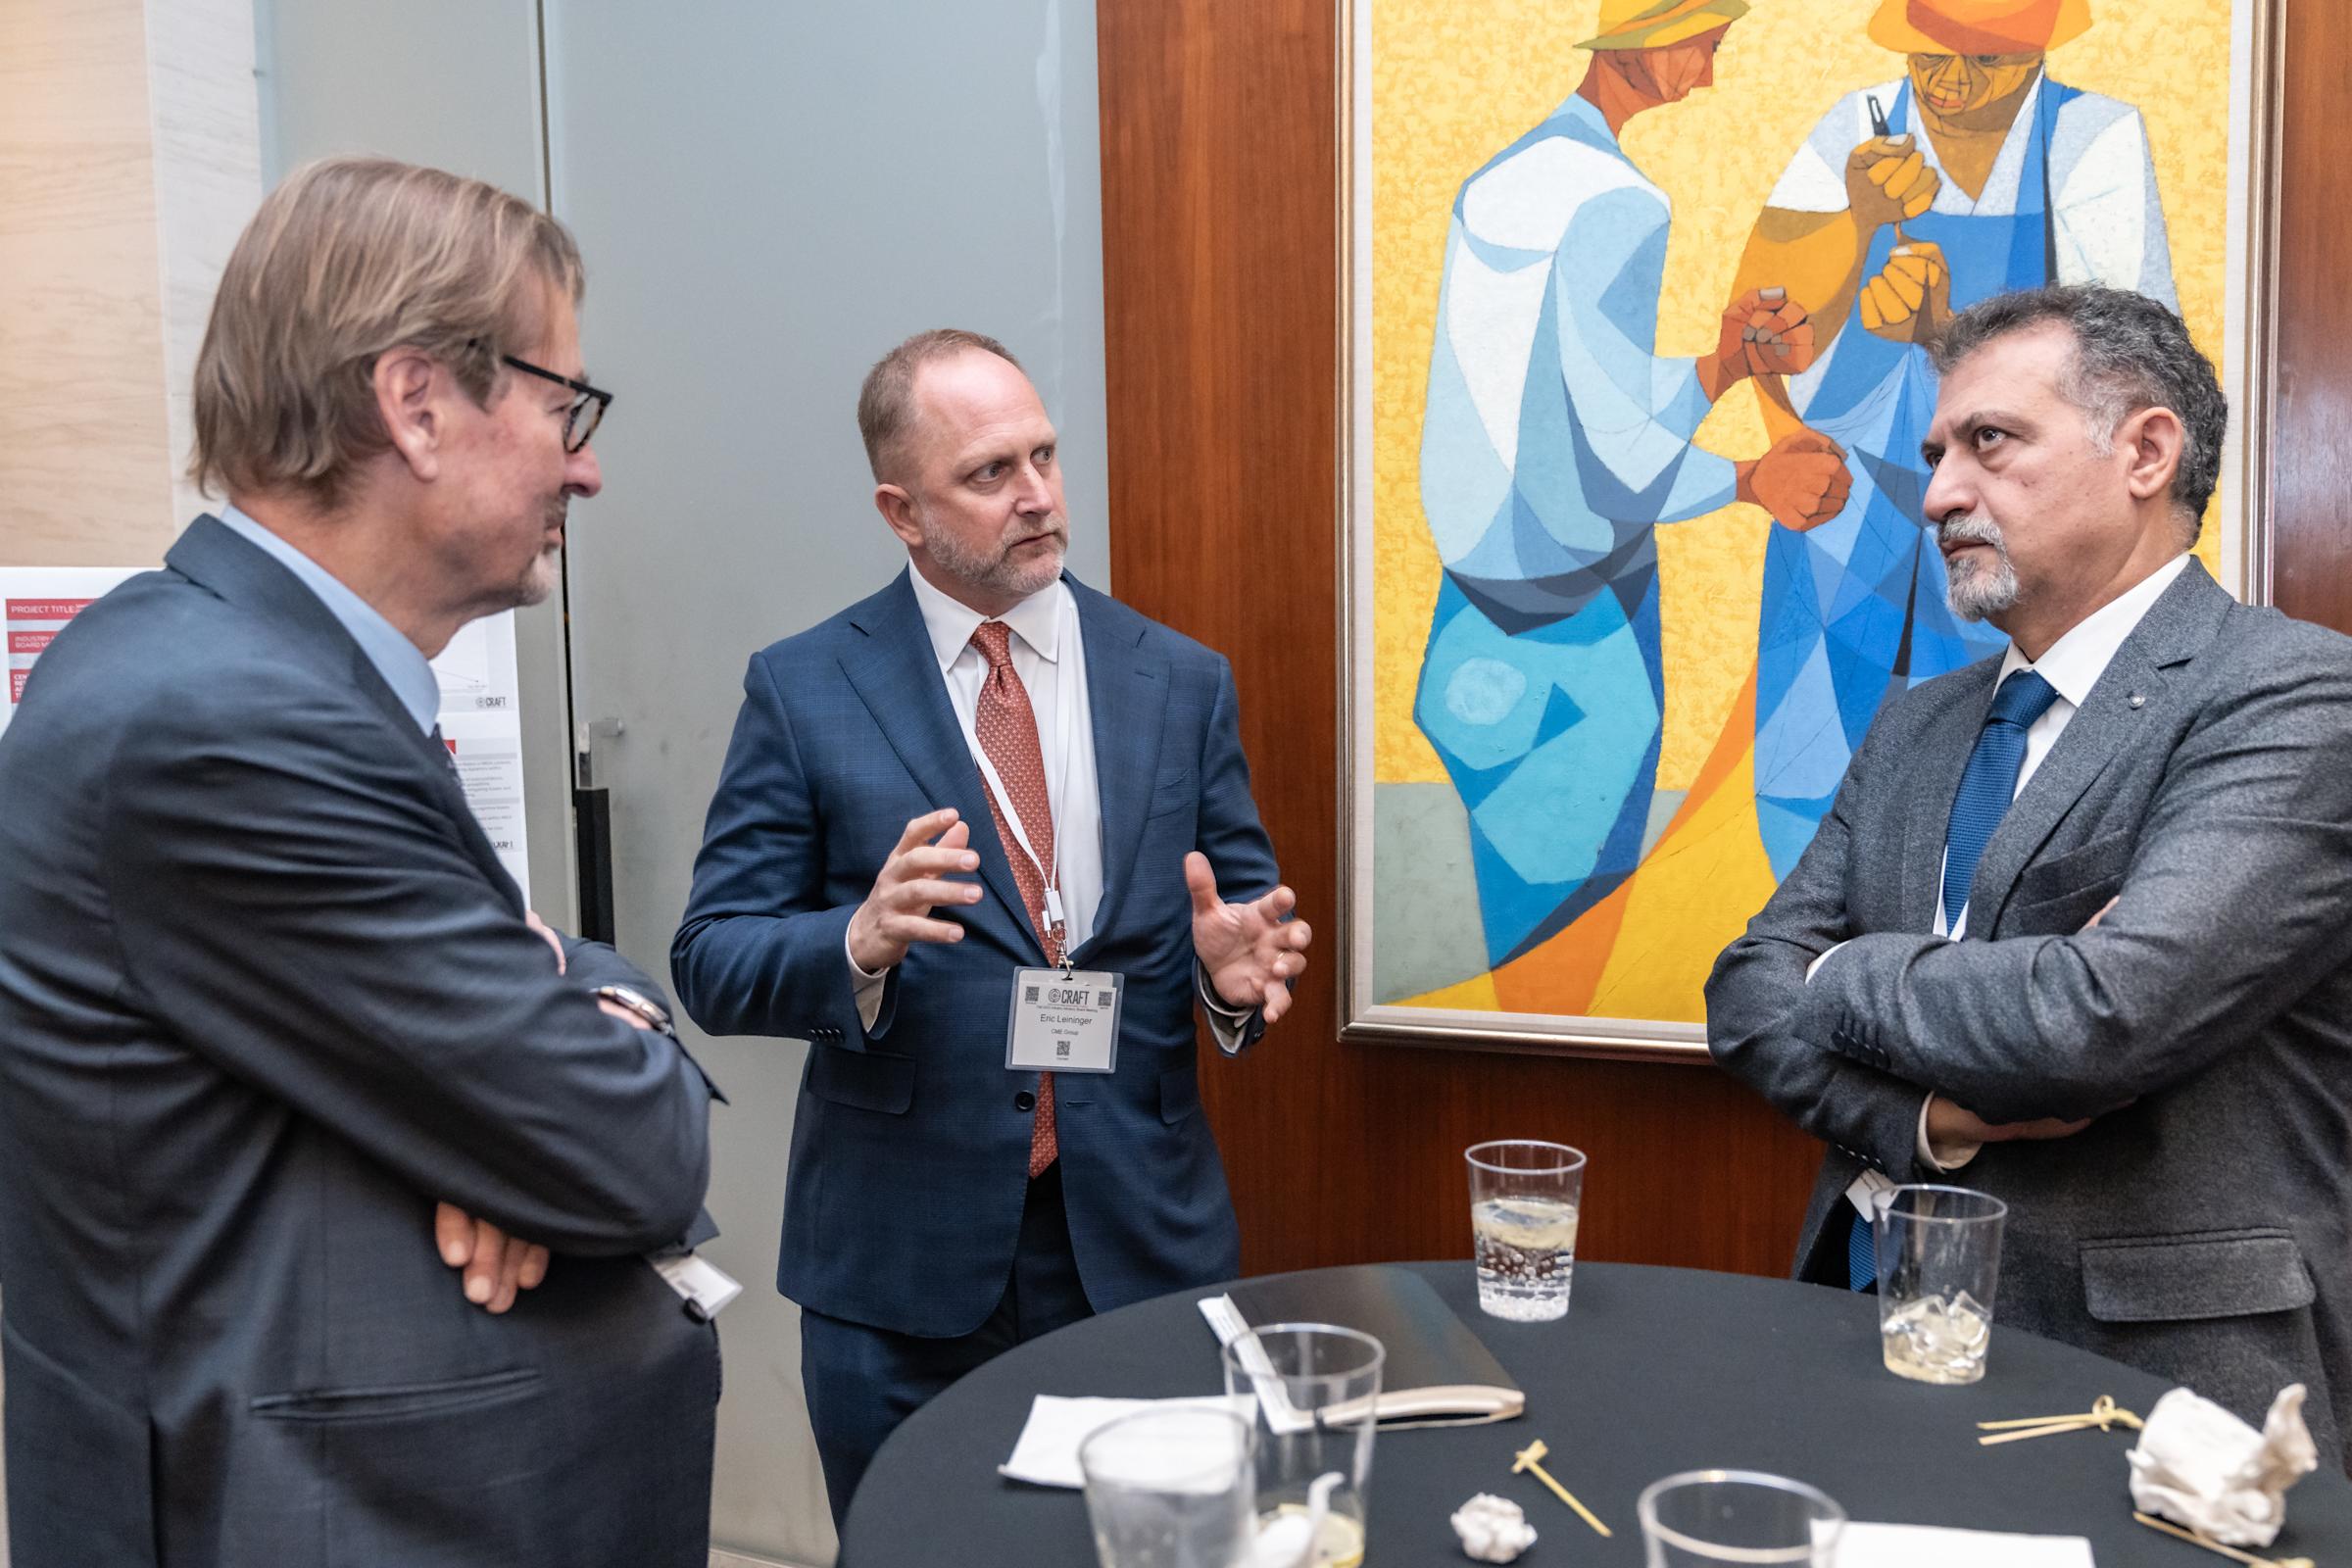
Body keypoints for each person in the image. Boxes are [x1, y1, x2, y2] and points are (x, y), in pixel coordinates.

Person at [0, 158, 724, 1567]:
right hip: (337, 1513)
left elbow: (502, 1054)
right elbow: (628, 1150)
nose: (588, 461)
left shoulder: (241, 670)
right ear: (416, 403)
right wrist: (567, 1057)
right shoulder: (225, 721)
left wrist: (524, 1067)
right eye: (562, 402)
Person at [672, 328, 1310, 1522]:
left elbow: (1235, 917)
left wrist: (1231, 982)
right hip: (900, 1265)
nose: (1037, 496)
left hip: (1134, 1240)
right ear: (901, 511)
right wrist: (853, 943)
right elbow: (711, 956)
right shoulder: (808, 688)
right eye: (989, 473)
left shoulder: (1178, 680)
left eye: (1045, 456)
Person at [1707, 285, 2352, 1462]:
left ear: (2147, 451)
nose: (1942, 491)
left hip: (2148, 1387)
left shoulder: (2297, 700)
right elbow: (1746, 993)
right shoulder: (1916, 723)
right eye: (1938, 453)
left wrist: (1843, 966)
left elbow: (2093, 1019)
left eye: (1990, 442)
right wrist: (1933, 1116)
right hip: (1861, 1327)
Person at [1416, 0, 1849, 964]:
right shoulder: (1619, 200)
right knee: (1570, 942)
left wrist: (1723, 367)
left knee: (1515, 942)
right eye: (1705, 41)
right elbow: (1603, 455)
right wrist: (1749, 479)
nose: (1710, 70)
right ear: (1644, 39)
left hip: (1477, 612)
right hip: (1575, 637)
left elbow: (1548, 404)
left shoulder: (1510, 178)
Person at [1730, 0, 2179, 875]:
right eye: (1934, 53)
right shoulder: (1856, 128)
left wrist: (1951, 340)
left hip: (2022, 516)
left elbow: (2134, 370)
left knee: (1999, 768)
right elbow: (1757, 327)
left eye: (1986, 59)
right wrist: (1853, 222)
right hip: (1848, 510)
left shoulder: (2089, 137)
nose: (1952, 82)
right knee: (1809, 763)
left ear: (2036, 49)